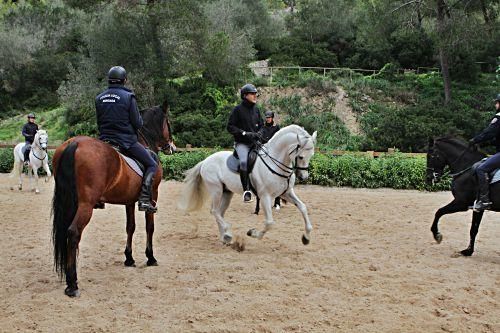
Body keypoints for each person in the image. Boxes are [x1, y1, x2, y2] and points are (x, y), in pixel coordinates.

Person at [95, 66, 158, 213]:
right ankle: (143, 199)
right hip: (125, 141)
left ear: (109, 80)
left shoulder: (99, 98)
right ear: (125, 80)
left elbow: (99, 122)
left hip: (104, 141)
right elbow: (137, 123)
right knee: (152, 164)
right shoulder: (128, 96)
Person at [227, 83, 263, 202]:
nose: (255, 96)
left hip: (255, 143)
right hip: (242, 144)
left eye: (255, 94)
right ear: (245, 95)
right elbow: (230, 127)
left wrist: (259, 133)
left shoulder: (257, 110)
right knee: (243, 162)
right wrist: (243, 133)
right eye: (252, 94)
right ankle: (246, 191)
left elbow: (262, 126)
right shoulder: (237, 110)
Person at [469, 93, 500, 211]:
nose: (496, 105)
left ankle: (485, 200)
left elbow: (488, 133)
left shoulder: (498, 118)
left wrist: (475, 140)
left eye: (497, 102)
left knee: (481, 169)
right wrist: (486, 143)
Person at [259, 110, 282, 209]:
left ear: (272, 118)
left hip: (274, 153)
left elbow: (279, 140)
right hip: (264, 150)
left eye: (269, 117)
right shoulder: (262, 127)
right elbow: (259, 137)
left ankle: (277, 201)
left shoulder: (276, 128)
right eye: (266, 117)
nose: (267, 119)